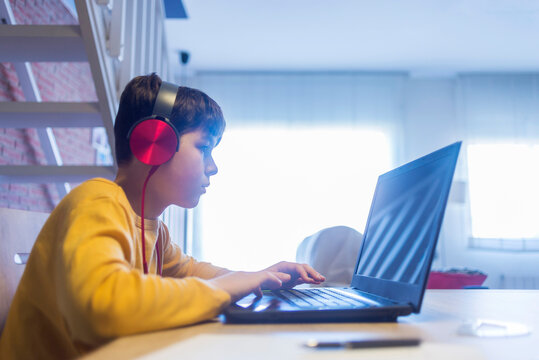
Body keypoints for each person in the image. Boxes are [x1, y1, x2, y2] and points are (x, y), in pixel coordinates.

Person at [0, 74, 325, 359]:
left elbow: (188, 271)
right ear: (155, 144)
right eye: (204, 147)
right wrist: (227, 288)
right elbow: (103, 306)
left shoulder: (151, 227)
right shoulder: (97, 201)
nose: (213, 167)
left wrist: (257, 277)